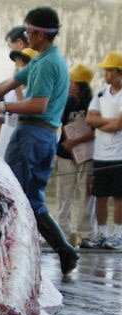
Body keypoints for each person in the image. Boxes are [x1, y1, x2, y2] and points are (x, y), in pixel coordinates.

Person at [0, 6, 78, 274]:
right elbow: (8, 84)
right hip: (41, 136)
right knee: (29, 199)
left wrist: (2, 108)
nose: (26, 35)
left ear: (38, 34)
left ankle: (12, 254)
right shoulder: (43, 59)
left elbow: (38, 104)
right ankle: (64, 250)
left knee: (11, 196)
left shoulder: (46, 64)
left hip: (33, 134)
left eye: (29, 31)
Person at [82, 52, 122, 249]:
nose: (106, 74)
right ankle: (102, 233)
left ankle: (118, 234)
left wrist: (103, 123)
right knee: (99, 195)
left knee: (118, 196)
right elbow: (90, 119)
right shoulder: (100, 93)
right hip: (100, 154)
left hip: (118, 154)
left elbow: (119, 125)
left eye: (110, 70)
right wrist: (109, 122)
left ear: (119, 72)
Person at [55, 63, 96, 248]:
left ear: (83, 85)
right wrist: (68, 145)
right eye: (70, 81)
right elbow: (62, 124)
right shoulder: (66, 101)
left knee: (86, 193)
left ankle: (85, 233)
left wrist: (76, 143)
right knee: (64, 193)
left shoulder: (92, 103)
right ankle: (62, 232)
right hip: (65, 152)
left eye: (75, 82)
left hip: (86, 153)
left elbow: (96, 130)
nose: (71, 85)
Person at [0, 48, 37, 157]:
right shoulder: (9, 91)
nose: (18, 68)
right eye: (17, 64)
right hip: (4, 143)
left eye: (23, 64)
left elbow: (26, 112)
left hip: (21, 146)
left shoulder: (36, 92)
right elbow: (0, 121)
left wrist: (17, 90)